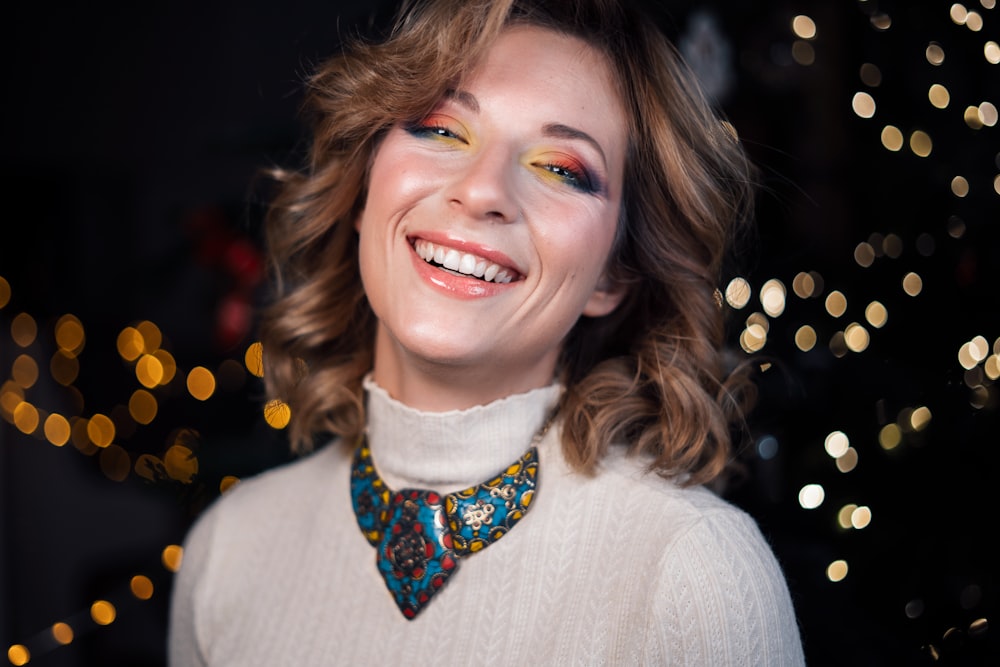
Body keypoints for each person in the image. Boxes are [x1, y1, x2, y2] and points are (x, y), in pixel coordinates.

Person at [168, 0, 805, 664]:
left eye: (561, 168)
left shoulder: (694, 571)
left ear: (612, 275)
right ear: (363, 191)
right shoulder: (229, 548)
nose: (482, 191)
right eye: (441, 129)